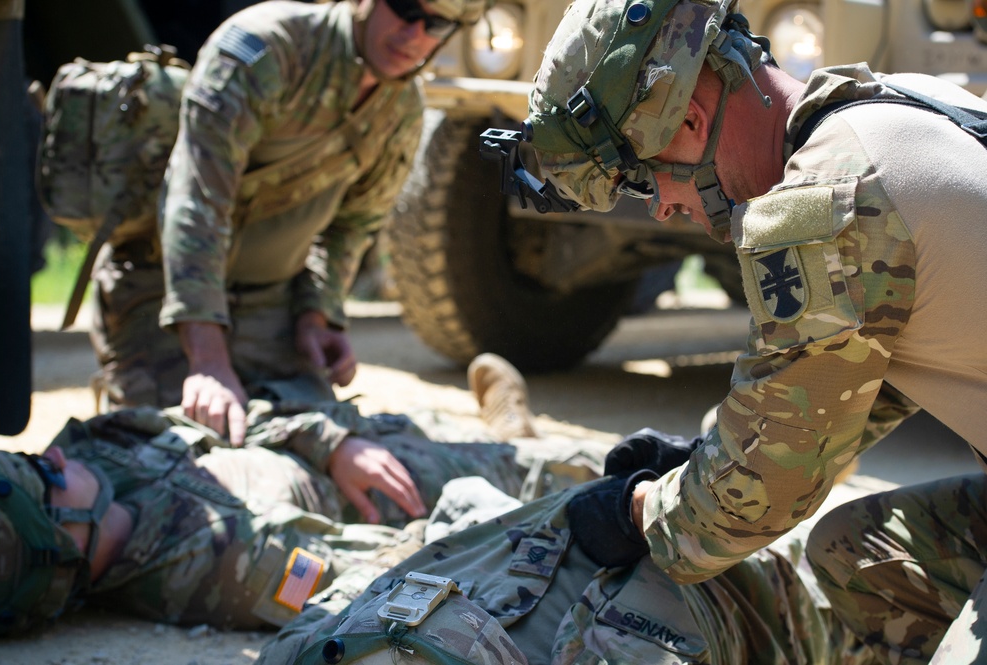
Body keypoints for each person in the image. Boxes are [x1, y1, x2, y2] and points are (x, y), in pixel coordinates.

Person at [512, 0, 987, 662]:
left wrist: (639, 514)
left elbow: (768, 484)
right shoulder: (900, 104)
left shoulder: (826, 200)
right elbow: (844, 393)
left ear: (690, 120)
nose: (663, 206)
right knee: (860, 558)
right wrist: (702, 454)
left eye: (644, 177)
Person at [90, 0, 489, 447]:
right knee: (177, 453)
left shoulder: (402, 110)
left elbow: (352, 226)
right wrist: (208, 361)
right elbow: (196, 199)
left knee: (328, 446)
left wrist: (317, 316)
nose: (414, 32)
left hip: (270, 305)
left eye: (435, 23)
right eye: (403, 8)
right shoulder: (267, 49)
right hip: (162, 296)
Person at [0, 356, 608, 639]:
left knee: (411, 423)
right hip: (382, 492)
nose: (58, 455)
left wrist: (332, 441)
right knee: (573, 475)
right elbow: (387, 564)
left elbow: (235, 421)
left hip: (337, 445)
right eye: (47, 475)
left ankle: (500, 433)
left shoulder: (92, 446)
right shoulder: (216, 569)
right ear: (61, 540)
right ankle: (514, 442)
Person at [254, 447, 892, 665]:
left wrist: (629, 502)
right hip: (742, 588)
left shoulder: (321, 649)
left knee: (471, 500)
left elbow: (306, 632)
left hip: (503, 540)